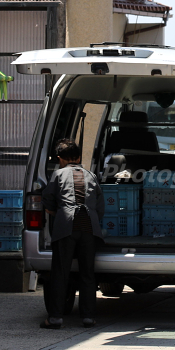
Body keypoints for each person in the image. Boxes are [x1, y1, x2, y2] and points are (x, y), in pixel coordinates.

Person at [41, 138, 104, 329]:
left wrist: (56, 212)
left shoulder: (58, 174)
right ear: (78, 157)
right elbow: (100, 207)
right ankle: (88, 317)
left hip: (66, 226)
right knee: (87, 274)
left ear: (60, 159)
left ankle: (55, 318)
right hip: (89, 227)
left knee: (60, 272)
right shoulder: (91, 175)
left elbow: (48, 199)